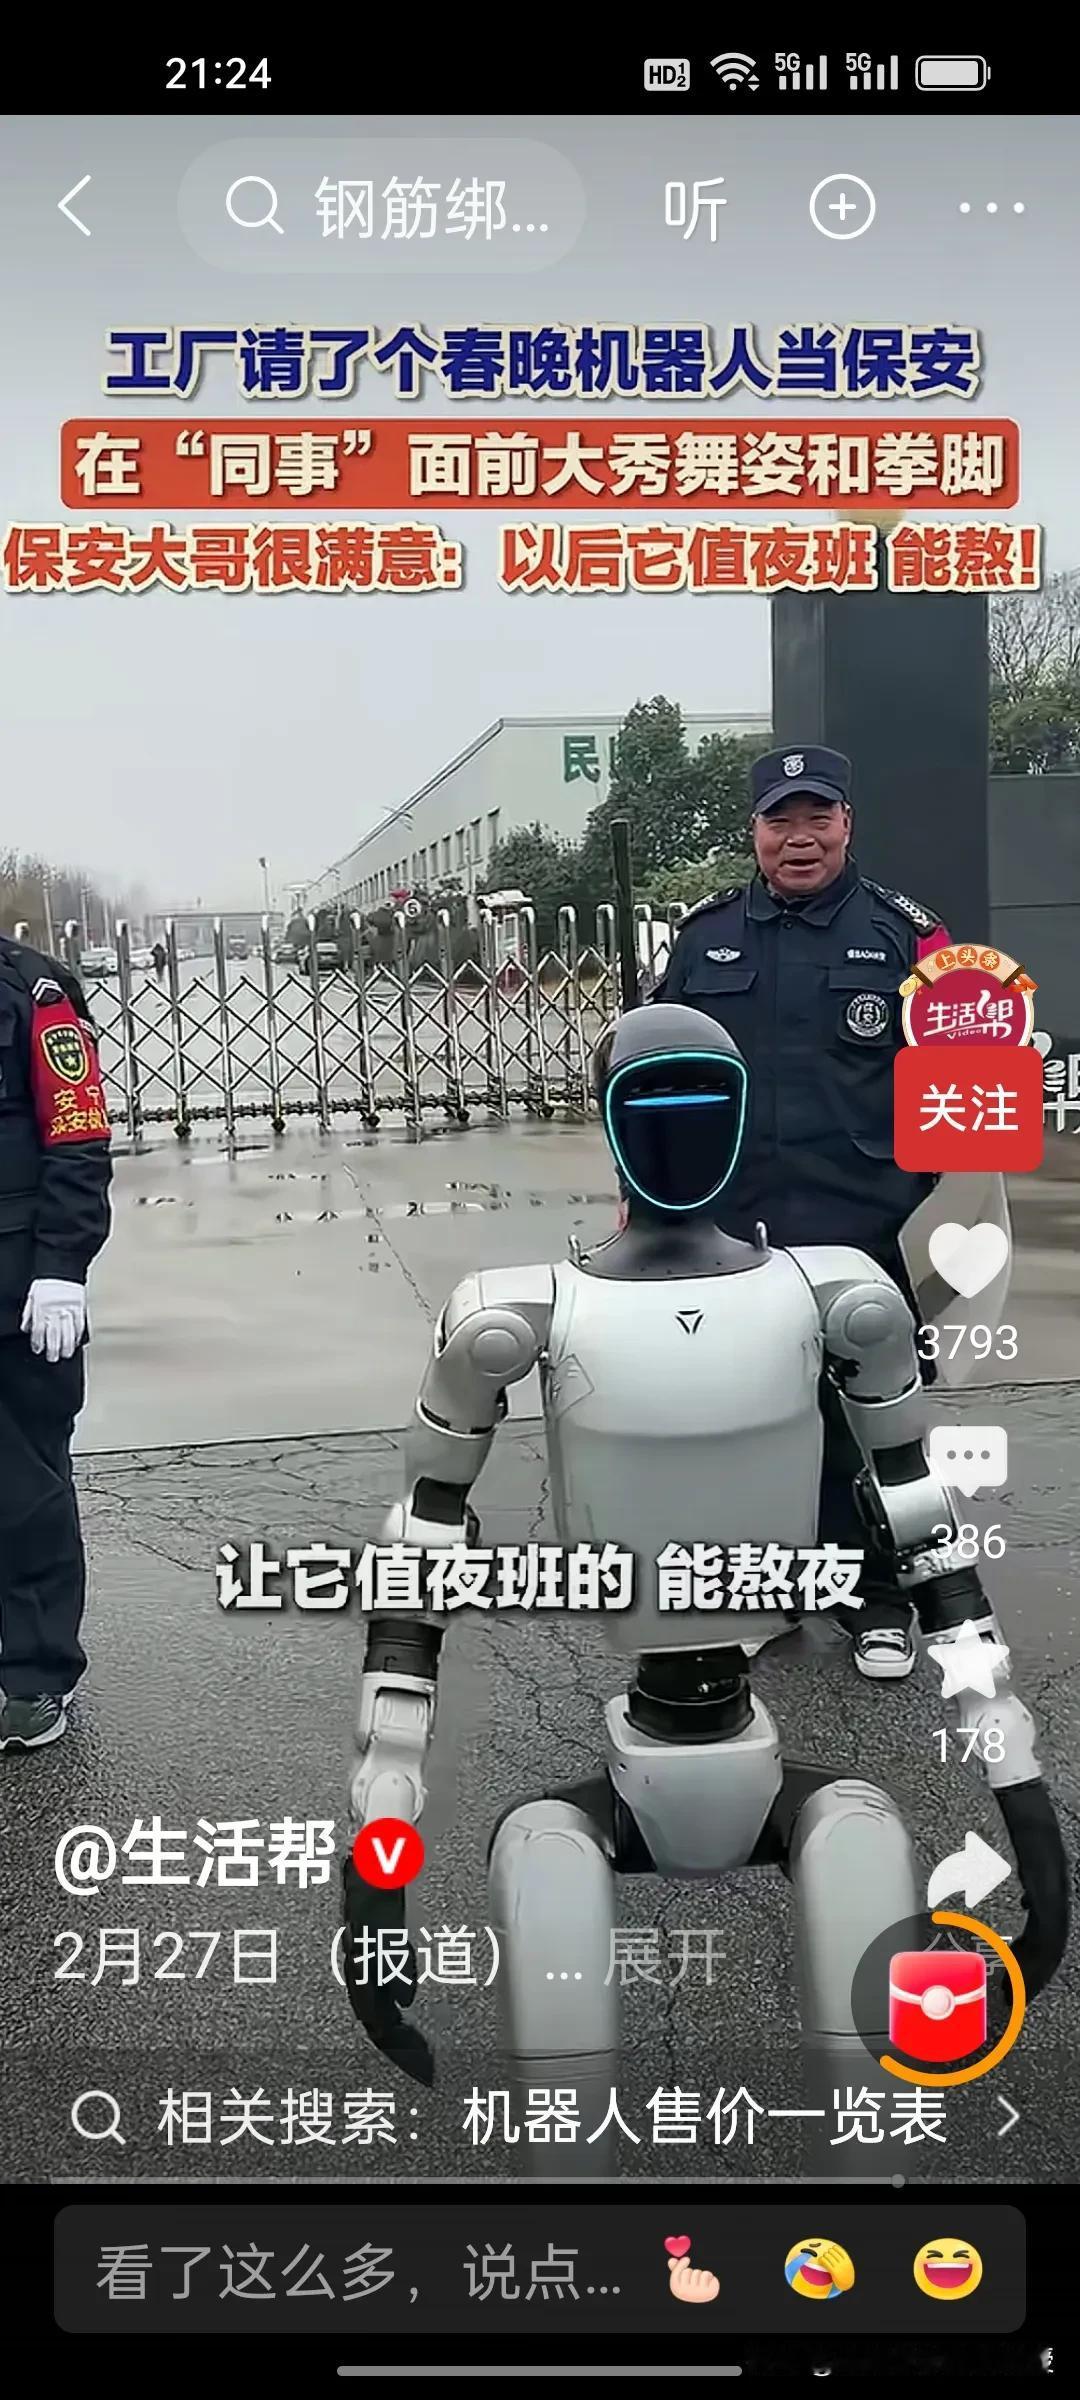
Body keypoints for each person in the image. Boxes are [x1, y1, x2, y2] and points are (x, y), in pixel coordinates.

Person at [651, 744, 949, 1682]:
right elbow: (652, 1073)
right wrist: (642, 1201)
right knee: (738, 1410)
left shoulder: (907, 937)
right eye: (781, 819)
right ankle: (766, 1592)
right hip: (727, 1228)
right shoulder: (704, 938)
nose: (800, 837)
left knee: (866, 1419)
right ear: (755, 831)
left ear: (847, 823)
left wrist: (943, 1220)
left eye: (818, 816)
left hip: (865, 1225)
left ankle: (878, 1601)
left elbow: (967, 1085)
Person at [0, 934, 112, 1750]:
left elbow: (77, 1137)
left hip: (18, 1293)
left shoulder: (32, 993)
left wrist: (62, 1266)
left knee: (25, 1487)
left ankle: (34, 1675)